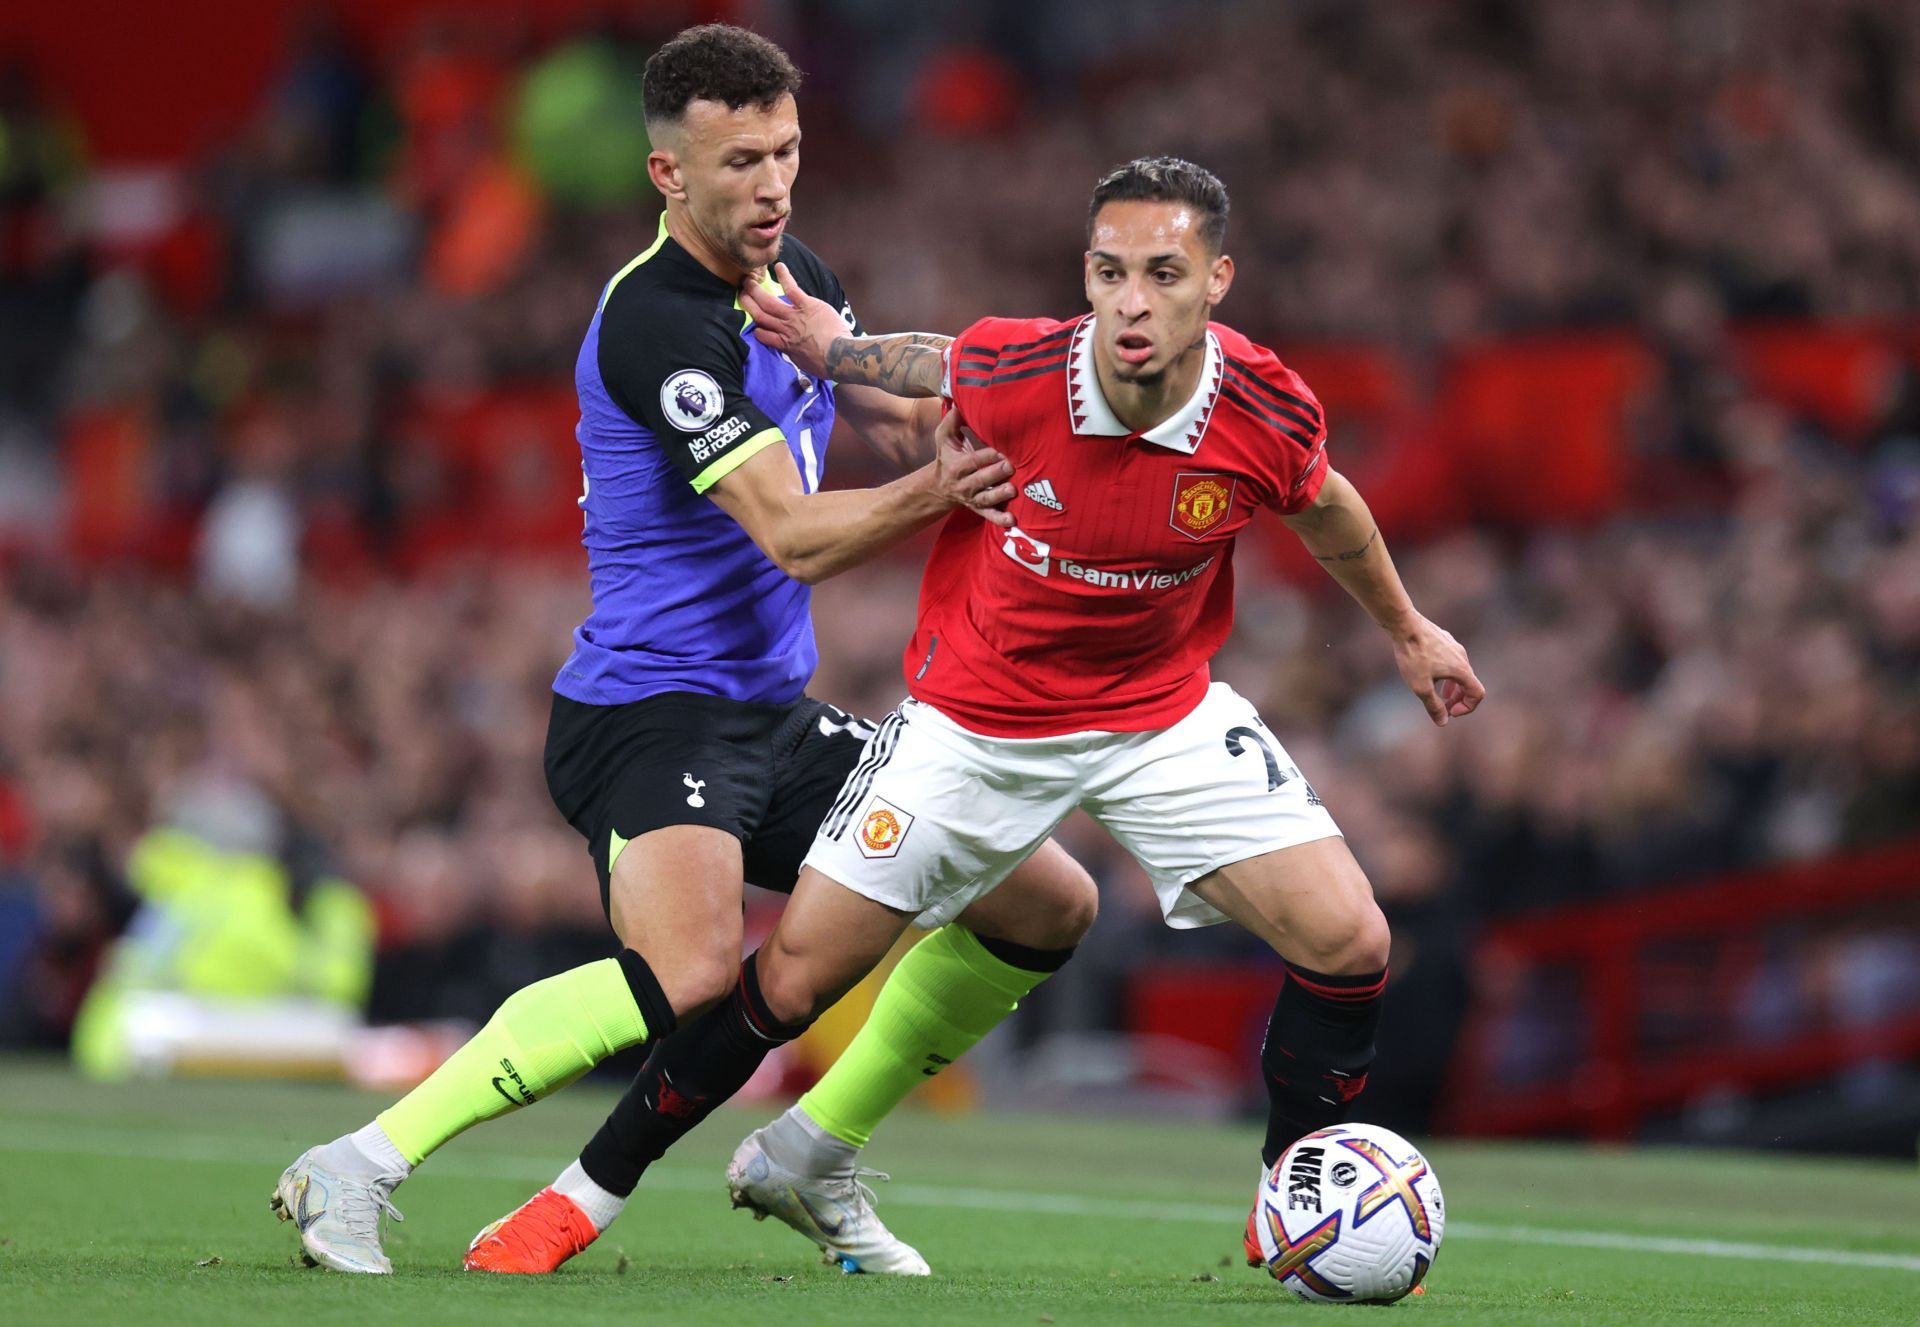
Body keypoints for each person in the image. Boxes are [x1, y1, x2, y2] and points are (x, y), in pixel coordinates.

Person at [477, 154, 1486, 1276]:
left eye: (1163, 273)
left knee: (1352, 940)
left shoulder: (1265, 407)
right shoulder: (1025, 368)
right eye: (1109, 273)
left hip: (1162, 713)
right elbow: (920, 360)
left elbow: (1327, 503)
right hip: (974, 722)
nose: (1132, 302)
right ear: (1088, 277)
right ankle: (583, 1195)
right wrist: (826, 346)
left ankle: (1287, 1192)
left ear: (1218, 281)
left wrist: (1406, 628)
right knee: (792, 981)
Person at [271, 24, 1097, 1277]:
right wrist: (948, 486)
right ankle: (360, 1162)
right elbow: (796, 536)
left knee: (1048, 901)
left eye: (788, 153)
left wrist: (1036, 400)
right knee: (693, 974)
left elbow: (887, 405)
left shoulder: (787, 272)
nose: (772, 186)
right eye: (741, 162)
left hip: (773, 714)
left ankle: (817, 1150)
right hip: (648, 714)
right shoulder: (657, 323)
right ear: (669, 175)